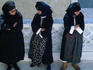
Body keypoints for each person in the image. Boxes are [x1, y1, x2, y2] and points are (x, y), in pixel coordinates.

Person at [28, 1, 53, 70]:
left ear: (44, 11)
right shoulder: (37, 16)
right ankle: (35, 62)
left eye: (39, 10)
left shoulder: (49, 18)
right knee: (35, 49)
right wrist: (39, 29)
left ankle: (48, 64)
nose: (38, 12)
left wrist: (42, 32)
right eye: (38, 10)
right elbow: (33, 24)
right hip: (37, 35)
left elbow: (48, 29)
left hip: (46, 37)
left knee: (46, 51)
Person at [0, 1, 25, 70]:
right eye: (12, 11)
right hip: (5, 38)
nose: (14, 12)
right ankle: (8, 65)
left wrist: (9, 28)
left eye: (14, 10)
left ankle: (14, 63)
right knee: (6, 51)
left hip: (16, 37)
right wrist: (12, 26)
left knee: (15, 51)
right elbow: (2, 26)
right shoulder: (3, 15)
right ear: (7, 11)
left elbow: (20, 27)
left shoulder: (18, 15)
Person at [60, 2, 85, 70]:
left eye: (79, 11)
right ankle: (65, 63)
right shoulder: (67, 16)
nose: (78, 12)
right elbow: (66, 26)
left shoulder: (81, 15)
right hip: (68, 34)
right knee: (67, 49)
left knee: (76, 49)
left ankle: (75, 62)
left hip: (78, 35)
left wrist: (78, 28)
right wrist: (73, 27)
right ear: (73, 11)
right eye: (77, 11)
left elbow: (82, 25)